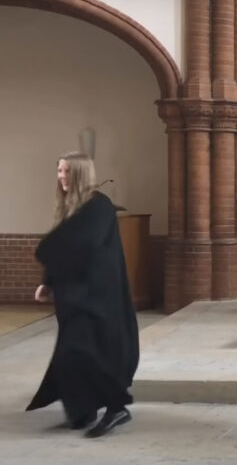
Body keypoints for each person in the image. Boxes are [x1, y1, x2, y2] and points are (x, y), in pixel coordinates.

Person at [28, 152, 139, 438]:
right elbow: (65, 250)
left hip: (96, 297)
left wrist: (46, 249)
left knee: (81, 353)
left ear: (80, 173)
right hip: (74, 296)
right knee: (73, 355)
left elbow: (81, 244)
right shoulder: (70, 206)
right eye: (59, 171)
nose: (61, 177)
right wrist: (48, 282)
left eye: (67, 171)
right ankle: (83, 410)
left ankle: (117, 408)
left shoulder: (98, 206)